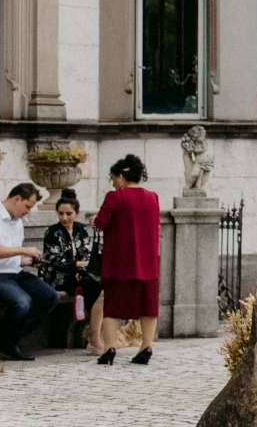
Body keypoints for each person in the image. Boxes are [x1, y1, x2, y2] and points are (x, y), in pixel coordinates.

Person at [0, 182, 57, 361]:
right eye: (28, 206)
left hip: (13, 273)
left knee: (50, 296)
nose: (28, 211)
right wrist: (24, 250)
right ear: (16, 199)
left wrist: (28, 261)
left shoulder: (17, 221)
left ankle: (8, 338)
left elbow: (10, 257)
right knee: (22, 302)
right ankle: (7, 342)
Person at [94, 155, 162, 365]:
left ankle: (109, 348)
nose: (113, 182)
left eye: (114, 177)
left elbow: (101, 222)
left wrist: (93, 219)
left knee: (112, 307)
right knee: (148, 307)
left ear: (122, 176)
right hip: (147, 263)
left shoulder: (115, 197)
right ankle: (146, 346)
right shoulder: (153, 197)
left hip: (119, 263)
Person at [41, 189, 103, 351]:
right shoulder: (53, 232)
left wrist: (82, 265)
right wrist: (78, 264)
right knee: (95, 287)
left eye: (69, 214)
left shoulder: (81, 230)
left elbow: (87, 254)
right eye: (61, 214)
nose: (64, 218)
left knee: (101, 286)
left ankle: (93, 332)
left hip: (79, 275)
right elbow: (54, 260)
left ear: (76, 213)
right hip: (58, 277)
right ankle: (93, 336)